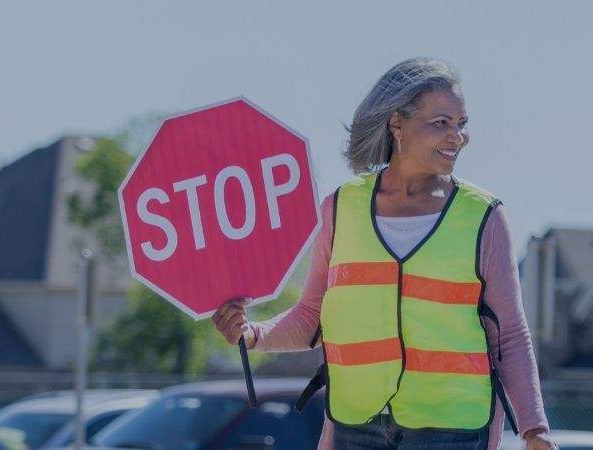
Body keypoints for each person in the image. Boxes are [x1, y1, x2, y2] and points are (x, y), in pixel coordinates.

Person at [211, 57, 553, 450]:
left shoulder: (484, 217)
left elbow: (510, 334)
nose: (457, 136)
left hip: (453, 427)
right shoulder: (341, 209)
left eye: (461, 123)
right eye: (441, 123)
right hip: (355, 425)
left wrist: (534, 429)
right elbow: (312, 316)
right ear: (397, 124)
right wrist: (253, 335)